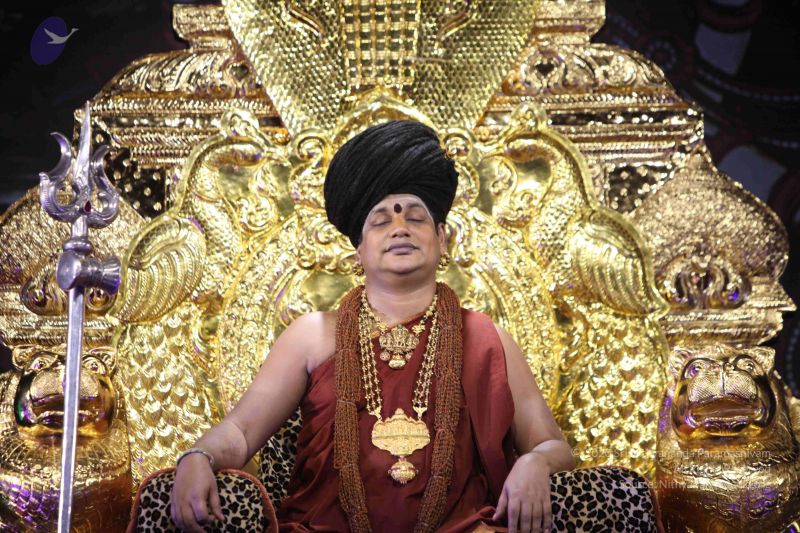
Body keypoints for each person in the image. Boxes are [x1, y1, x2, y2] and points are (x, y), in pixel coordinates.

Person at [170, 120, 575, 533]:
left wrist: (535, 462)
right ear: (358, 252)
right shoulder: (312, 335)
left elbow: (553, 445)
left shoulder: (486, 339)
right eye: (380, 221)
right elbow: (241, 431)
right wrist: (198, 457)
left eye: (416, 218)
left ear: (442, 239)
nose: (400, 228)